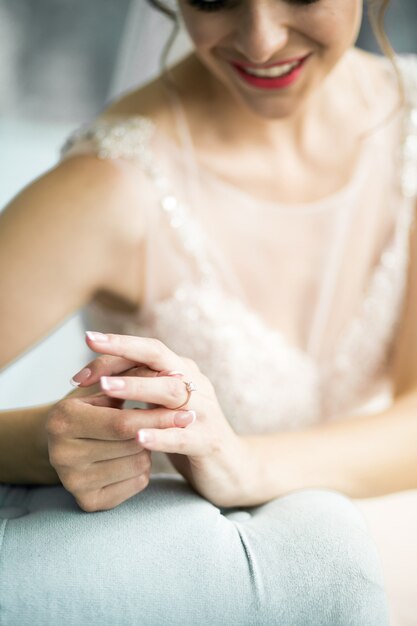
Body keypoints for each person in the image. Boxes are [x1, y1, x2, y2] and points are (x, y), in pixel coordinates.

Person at [1, 0, 416, 623]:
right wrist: (43, 442)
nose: (261, 41)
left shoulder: (410, 123)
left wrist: (246, 465)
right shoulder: (109, 187)